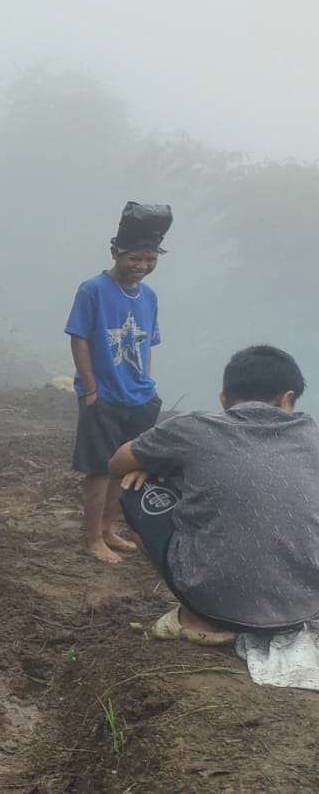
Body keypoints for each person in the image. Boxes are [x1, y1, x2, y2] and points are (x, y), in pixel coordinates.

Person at [109, 346, 319, 644]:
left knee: (135, 487)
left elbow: (117, 463)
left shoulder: (192, 428)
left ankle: (196, 617)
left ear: (223, 398)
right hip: (304, 608)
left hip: (217, 607)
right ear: (287, 399)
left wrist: (151, 466)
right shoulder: (313, 437)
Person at [67, 202, 172, 563]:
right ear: (116, 252)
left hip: (139, 398)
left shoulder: (151, 296)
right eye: (135, 258)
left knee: (125, 467)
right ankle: (92, 537)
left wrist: (147, 384)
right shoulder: (92, 290)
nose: (142, 266)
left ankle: (110, 529)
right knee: (98, 469)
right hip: (104, 397)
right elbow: (79, 338)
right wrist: (91, 389)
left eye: (150, 259)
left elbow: (148, 343)